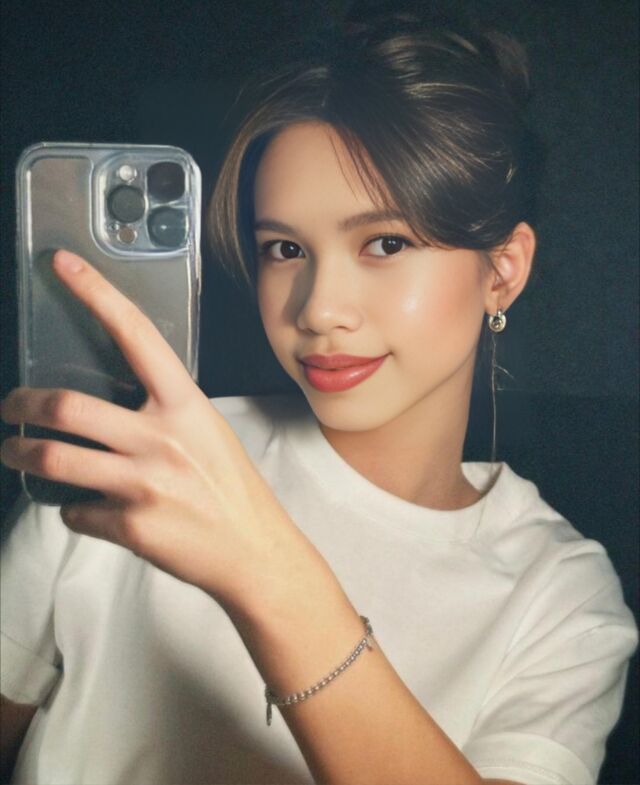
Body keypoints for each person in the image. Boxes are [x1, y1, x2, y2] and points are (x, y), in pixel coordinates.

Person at [0, 16, 637, 785]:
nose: (319, 307)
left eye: (385, 243)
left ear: (501, 271)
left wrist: (262, 569)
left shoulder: (560, 595)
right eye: (286, 249)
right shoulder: (136, 460)